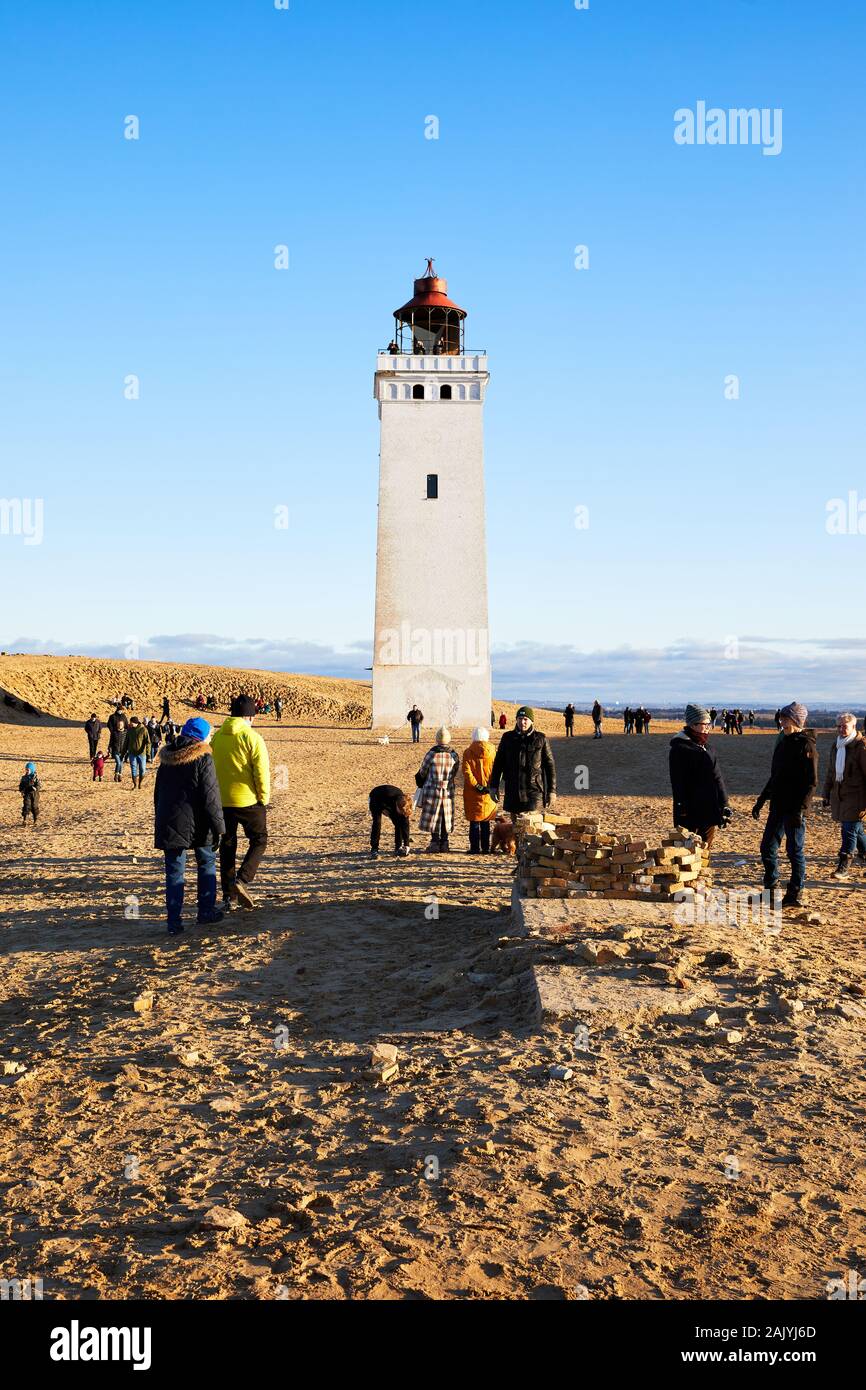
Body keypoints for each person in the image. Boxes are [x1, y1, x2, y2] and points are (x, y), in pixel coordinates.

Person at [153, 716, 226, 936]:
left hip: (170, 821)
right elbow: (210, 796)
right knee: (206, 863)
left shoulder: (167, 757)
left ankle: (173, 922)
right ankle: (206, 912)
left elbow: (158, 793)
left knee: (174, 872)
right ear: (201, 736)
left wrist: (161, 818)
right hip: (199, 822)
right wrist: (219, 828)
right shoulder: (203, 757)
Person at [752, 701, 818, 908]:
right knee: (767, 848)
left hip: (794, 810)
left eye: (786, 718)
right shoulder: (783, 742)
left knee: (794, 851)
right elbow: (775, 777)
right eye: (781, 718)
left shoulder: (806, 745)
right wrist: (761, 801)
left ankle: (794, 895)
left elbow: (811, 782)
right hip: (778, 807)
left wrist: (800, 809)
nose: (782, 722)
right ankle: (770, 892)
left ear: (797, 720)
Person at [211, 695, 270, 910]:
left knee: (227, 846)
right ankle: (242, 880)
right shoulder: (252, 738)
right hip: (248, 800)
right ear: (249, 716)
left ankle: (228, 896)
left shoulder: (217, 737)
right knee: (260, 839)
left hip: (222, 801)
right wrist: (264, 797)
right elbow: (261, 772)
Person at [668, 704, 731, 875]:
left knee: (705, 850)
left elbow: (718, 778)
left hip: (710, 810)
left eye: (709, 724)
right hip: (689, 811)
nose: (708, 728)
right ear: (693, 725)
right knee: (685, 851)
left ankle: (700, 881)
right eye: (705, 724)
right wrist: (681, 808)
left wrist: (724, 804)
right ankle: (684, 884)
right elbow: (678, 782)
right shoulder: (679, 749)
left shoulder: (708, 748)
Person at [488, 707, 556, 817]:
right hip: (512, 791)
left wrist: (552, 791)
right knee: (515, 829)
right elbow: (498, 764)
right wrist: (494, 786)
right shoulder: (507, 738)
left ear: (531, 721)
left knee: (530, 827)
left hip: (534, 792)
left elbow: (550, 766)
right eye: (519, 718)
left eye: (525, 719)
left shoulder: (541, 738)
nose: (522, 722)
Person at [822, 712, 866, 880]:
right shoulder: (837, 745)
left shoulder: (861, 746)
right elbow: (831, 772)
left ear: (854, 727)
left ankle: (844, 867)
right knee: (856, 830)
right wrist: (826, 793)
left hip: (857, 797)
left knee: (848, 830)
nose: (840, 729)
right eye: (838, 726)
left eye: (844, 726)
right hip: (840, 795)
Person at [415, 727, 459, 852]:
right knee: (446, 815)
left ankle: (434, 842)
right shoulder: (453, 755)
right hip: (448, 789)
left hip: (432, 788)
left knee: (434, 815)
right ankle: (445, 843)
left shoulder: (432, 754)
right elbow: (455, 772)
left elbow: (423, 771)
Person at [461, 727, 496, 853]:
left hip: (472, 792)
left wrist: (477, 786)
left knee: (474, 822)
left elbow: (467, 772)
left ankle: (475, 848)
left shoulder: (468, 752)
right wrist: (490, 785)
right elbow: (496, 771)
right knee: (486, 821)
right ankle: (486, 848)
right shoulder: (493, 752)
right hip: (488, 791)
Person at [368, 785, 412, 858]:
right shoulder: (385, 801)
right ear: (396, 806)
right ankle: (374, 849)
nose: (401, 813)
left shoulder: (406, 803)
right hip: (376, 796)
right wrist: (384, 810)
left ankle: (398, 847)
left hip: (391, 795)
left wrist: (407, 845)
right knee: (377, 822)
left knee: (399, 822)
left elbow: (405, 824)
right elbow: (381, 809)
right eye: (400, 811)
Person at [125, 716, 149, 789]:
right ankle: (135, 785)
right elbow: (126, 742)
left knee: (142, 770)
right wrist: (123, 754)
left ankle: (140, 783)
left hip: (142, 754)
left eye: (131, 722)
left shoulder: (143, 730)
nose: (130, 724)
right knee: (133, 770)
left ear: (135, 723)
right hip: (132, 754)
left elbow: (148, 742)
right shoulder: (129, 730)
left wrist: (148, 753)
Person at [107, 704, 129, 782]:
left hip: (122, 745)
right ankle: (117, 774)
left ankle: (119, 775)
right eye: (120, 710)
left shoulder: (124, 716)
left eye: (122, 710)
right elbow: (109, 724)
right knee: (119, 763)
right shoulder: (112, 716)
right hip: (115, 738)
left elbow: (127, 725)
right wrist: (113, 731)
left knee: (121, 763)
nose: (121, 711)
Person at [19, 761, 40, 826]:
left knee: (34, 806)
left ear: (32, 770)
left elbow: (38, 785)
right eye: (26, 769)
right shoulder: (24, 778)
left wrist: (36, 788)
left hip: (34, 794)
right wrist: (21, 790)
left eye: (28, 770)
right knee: (26, 805)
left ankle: (35, 820)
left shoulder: (35, 777)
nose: (27, 771)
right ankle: (25, 819)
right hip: (27, 794)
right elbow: (21, 785)